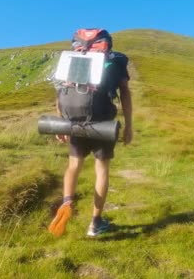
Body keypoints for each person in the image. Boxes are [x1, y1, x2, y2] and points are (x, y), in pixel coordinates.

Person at [49, 32, 133, 237]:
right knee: (101, 169)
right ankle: (96, 223)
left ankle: (67, 202)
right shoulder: (117, 60)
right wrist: (129, 125)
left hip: (75, 120)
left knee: (74, 165)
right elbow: (124, 92)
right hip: (102, 121)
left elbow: (60, 91)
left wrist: (62, 122)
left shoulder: (72, 60)